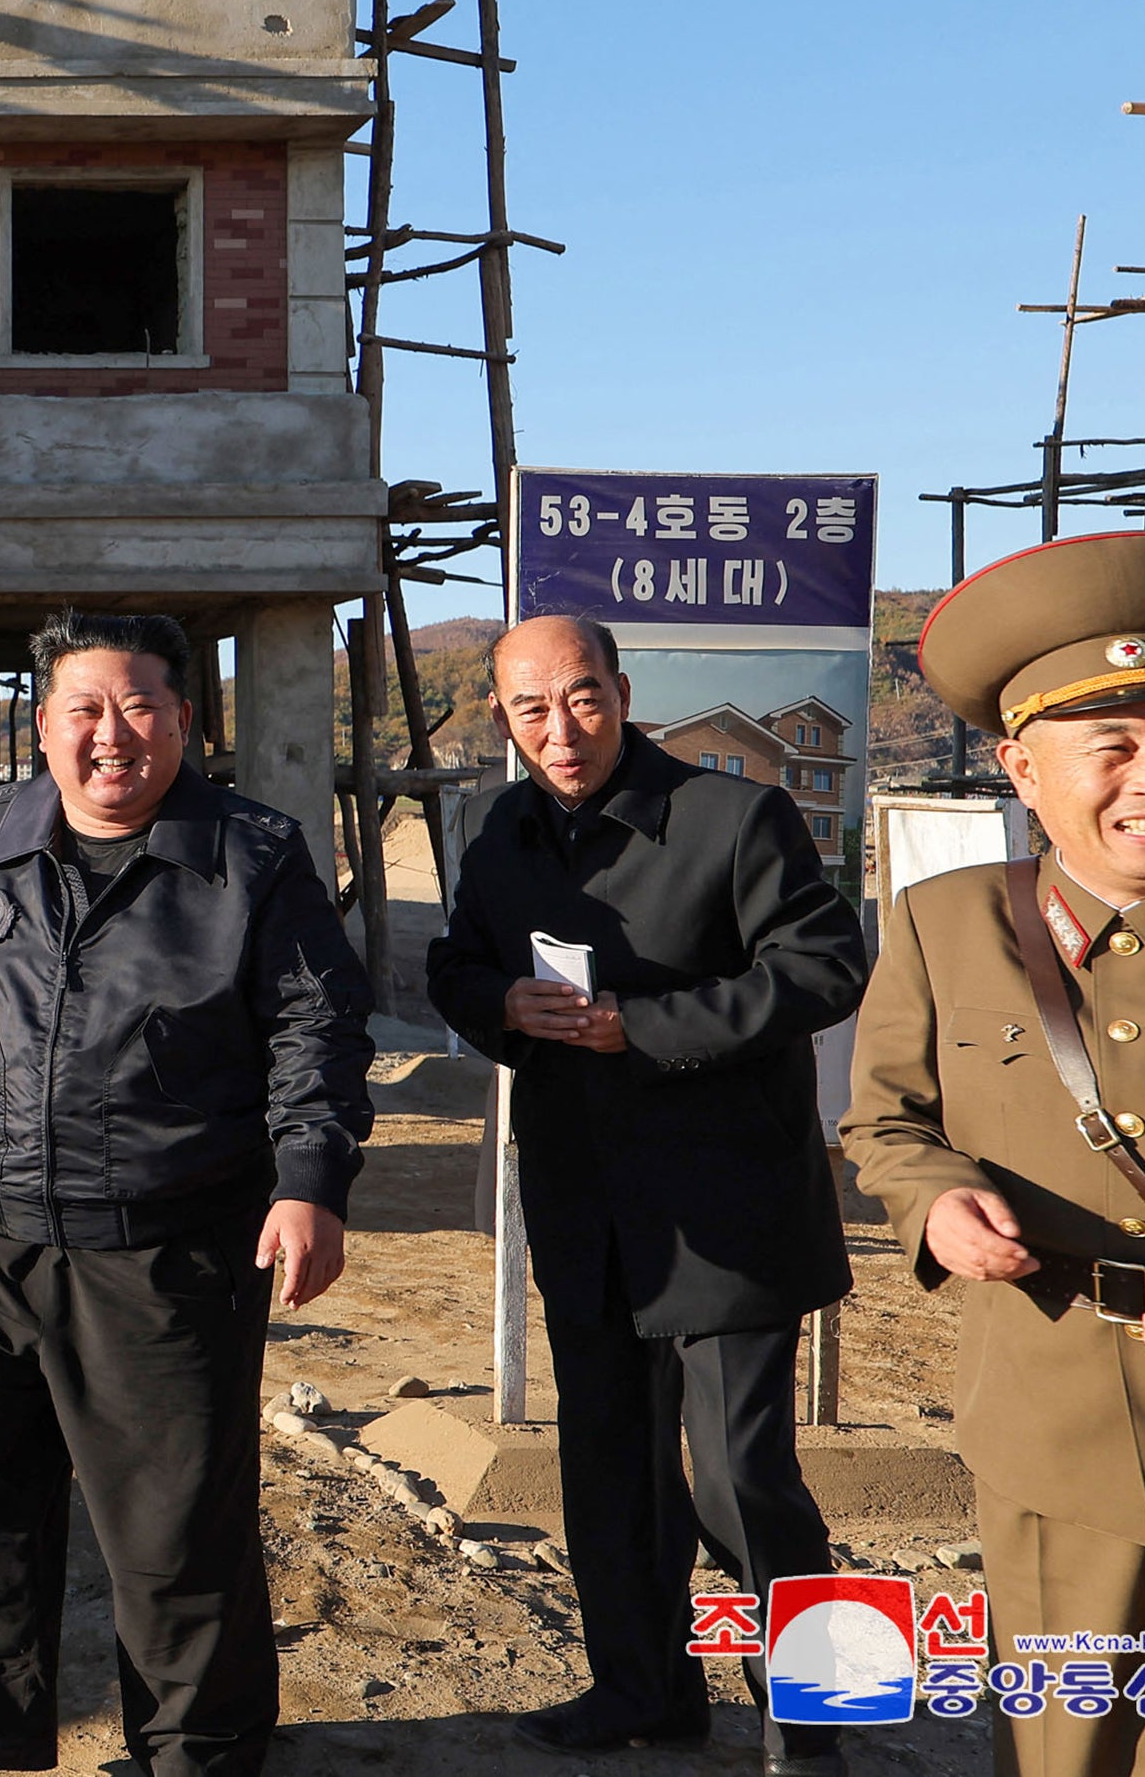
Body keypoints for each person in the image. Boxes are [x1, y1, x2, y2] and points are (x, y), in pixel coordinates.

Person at [0, 608, 374, 1777]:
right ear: (43, 727)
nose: (112, 734)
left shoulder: (254, 855)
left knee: (176, 1528)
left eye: (140, 707)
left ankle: (200, 1753)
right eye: (85, 709)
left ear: (184, 720)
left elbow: (317, 1030)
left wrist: (310, 1181)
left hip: (167, 1241)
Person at [426, 615, 870, 1775]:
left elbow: (824, 964)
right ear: (503, 719)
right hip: (588, 1206)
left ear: (623, 693)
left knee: (741, 1476)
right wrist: (501, 1007)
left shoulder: (734, 814)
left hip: (727, 1203)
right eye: (530, 708)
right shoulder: (500, 829)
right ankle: (641, 1688)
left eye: (582, 698)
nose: (560, 730)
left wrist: (647, 1025)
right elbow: (456, 961)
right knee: (611, 1466)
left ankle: (815, 1706)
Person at [841, 531, 1145, 1777]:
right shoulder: (945, 924)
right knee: (1079, 1754)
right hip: (1053, 1426)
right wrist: (939, 1198)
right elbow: (885, 1121)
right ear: (1021, 766)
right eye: (1111, 748)